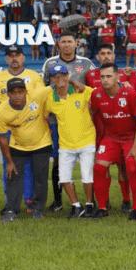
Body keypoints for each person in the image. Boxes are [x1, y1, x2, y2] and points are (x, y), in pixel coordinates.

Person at [0, 45, 46, 214]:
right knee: (10, 165)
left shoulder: (34, 76)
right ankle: (10, 203)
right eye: (10, 55)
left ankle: (30, 202)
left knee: (31, 168)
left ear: (23, 57)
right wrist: (10, 113)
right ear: (6, 58)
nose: (14, 58)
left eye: (17, 55)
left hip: (31, 127)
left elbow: (43, 99)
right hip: (9, 128)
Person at [41, 32, 96, 212]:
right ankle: (58, 201)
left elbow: (95, 86)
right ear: (58, 44)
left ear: (76, 43)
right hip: (57, 118)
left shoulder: (86, 63)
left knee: (88, 165)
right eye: (63, 41)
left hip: (81, 115)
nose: (66, 45)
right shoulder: (49, 63)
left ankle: (92, 201)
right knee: (58, 160)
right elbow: (45, 87)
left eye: (69, 41)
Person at [88, 63, 136, 220]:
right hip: (110, 138)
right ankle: (102, 207)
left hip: (130, 138)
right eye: (102, 77)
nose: (105, 80)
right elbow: (94, 111)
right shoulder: (96, 94)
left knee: (132, 168)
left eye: (109, 76)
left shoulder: (130, 93)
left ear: (118, 77)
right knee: (98, 168)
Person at [0, 77, 54, 222]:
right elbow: (2, 139)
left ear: (26, 92)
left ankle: (37, 209)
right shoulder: (1, 111)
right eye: (13, 92)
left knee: (40, 177)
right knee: (13, 176)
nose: (17, 96)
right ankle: (11, 210)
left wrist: (74, 83)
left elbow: (56, 84)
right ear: (8, 94)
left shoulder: (37, 94)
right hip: (18, 145)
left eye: (20, 92)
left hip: (42, 143)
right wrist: (9, 162)